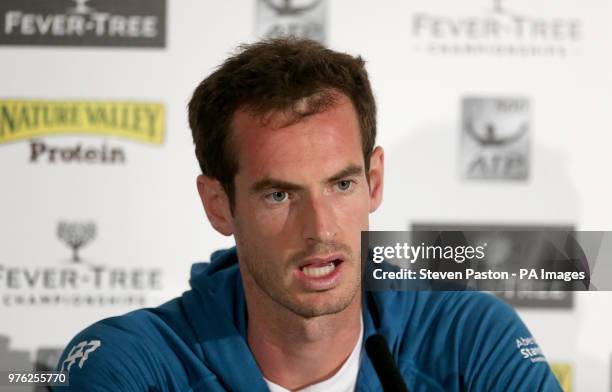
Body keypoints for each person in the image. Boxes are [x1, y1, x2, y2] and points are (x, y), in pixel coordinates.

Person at [54, 38, 562, 391]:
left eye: (341, 185)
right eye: (279, 196)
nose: (320, 229)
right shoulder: (131, 364)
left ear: (375, 181)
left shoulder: (469, 339)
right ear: (218, 205)